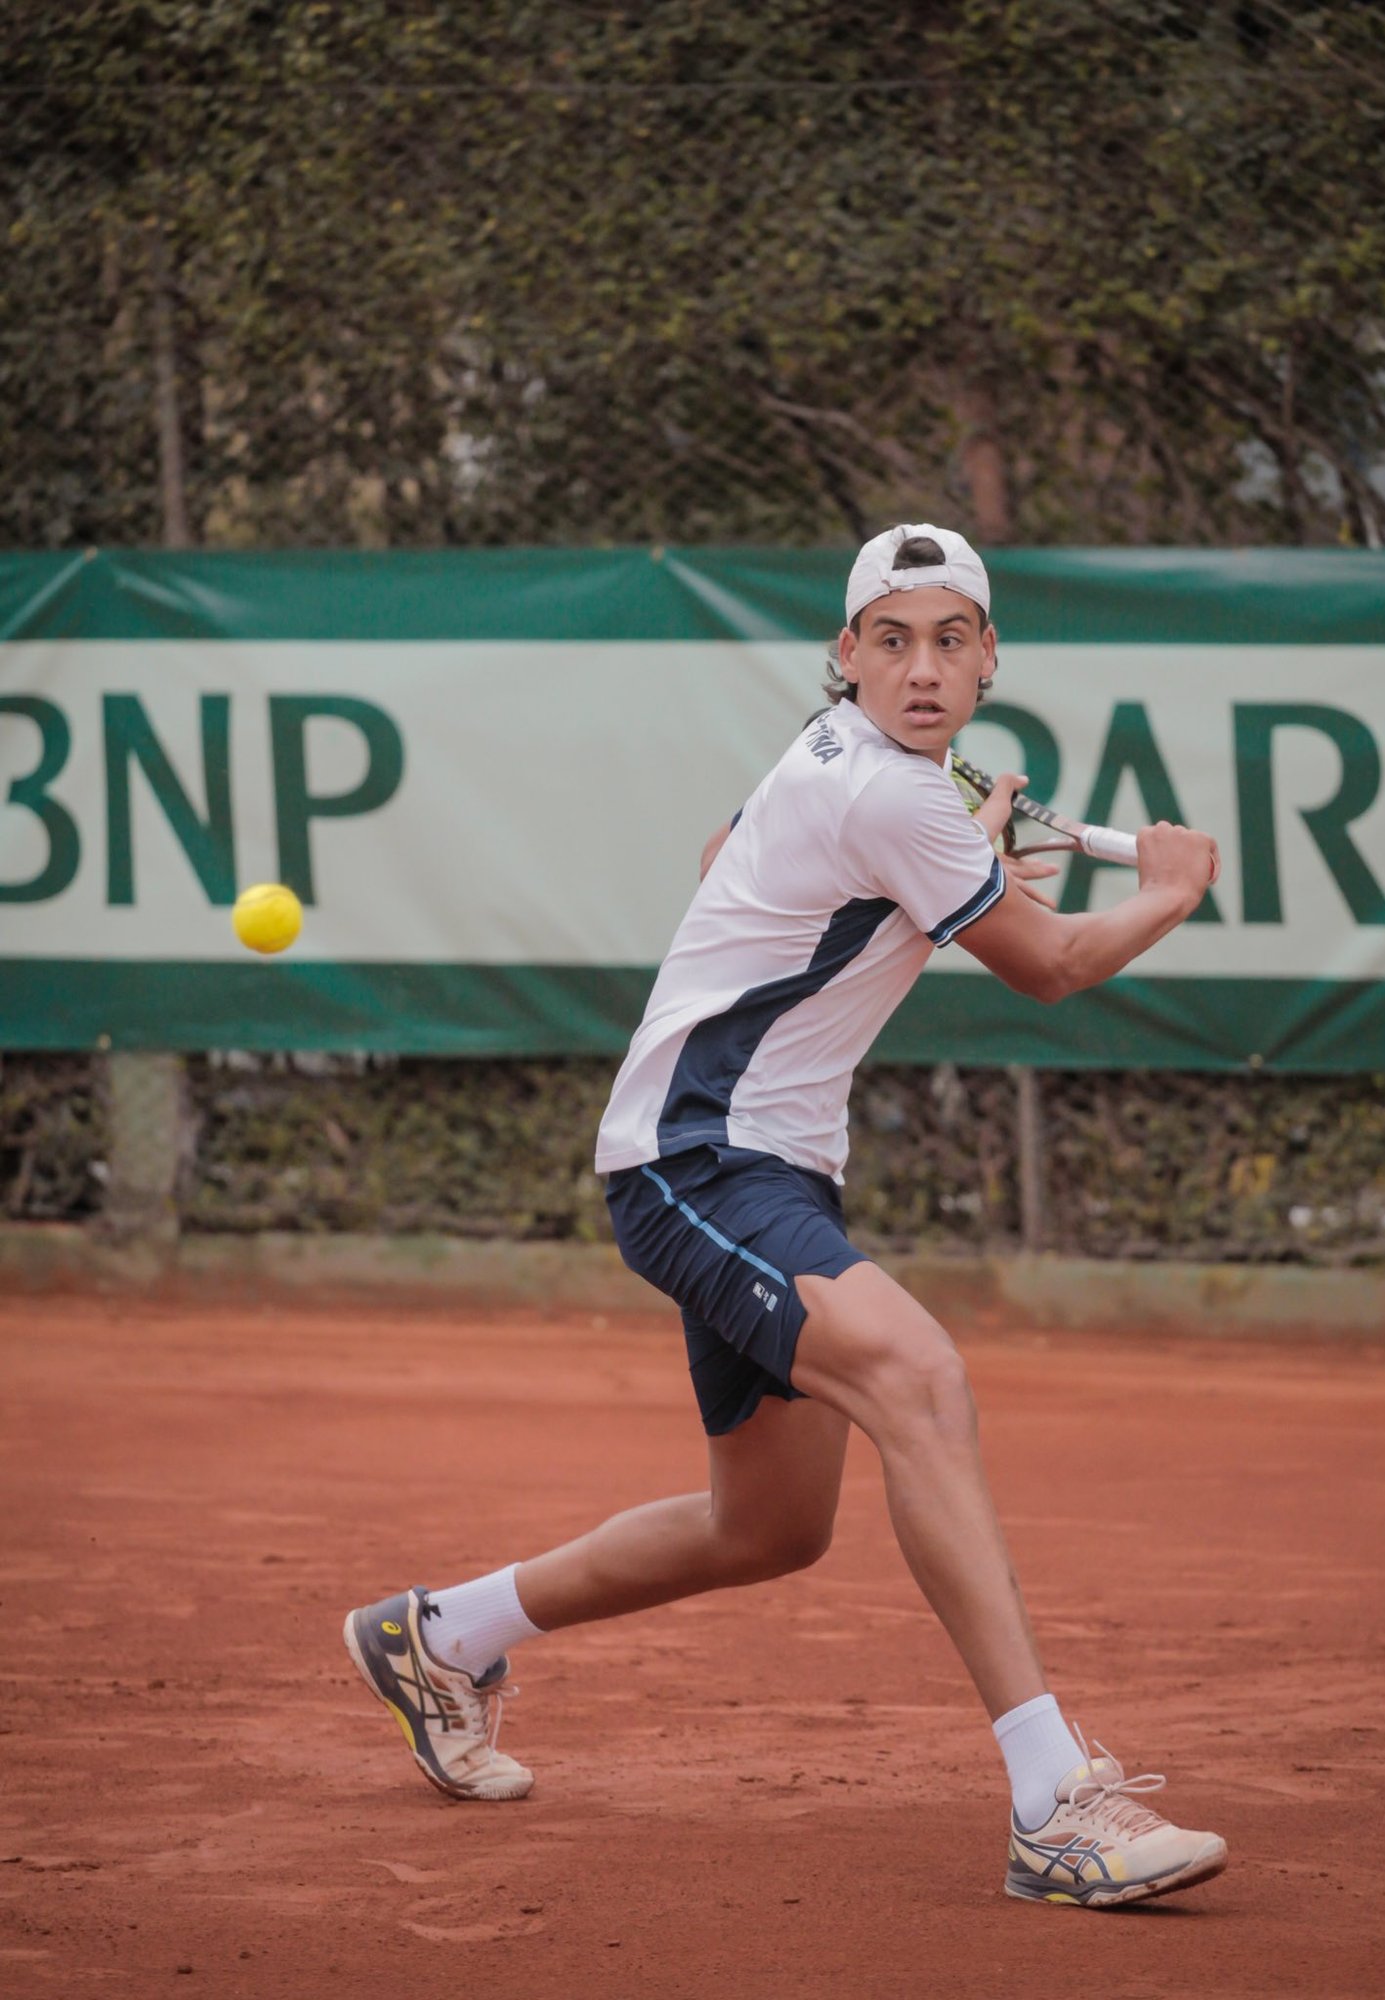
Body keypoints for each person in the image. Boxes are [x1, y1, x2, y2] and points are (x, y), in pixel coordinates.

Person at [344, 523, 1226, 1908]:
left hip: (756, 1165)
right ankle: (1058, 1805)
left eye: (948, 639)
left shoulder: (842, 764)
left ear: (988, 658)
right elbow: (1050, 967)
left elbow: (726, 861)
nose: (921, 668)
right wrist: (1168, 893)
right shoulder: (895, 795)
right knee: (920, 1382)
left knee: (768, 1528)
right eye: (892, 641)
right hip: (703, 1160)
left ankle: (442, 1635)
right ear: (846, 658)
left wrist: (944, 859)